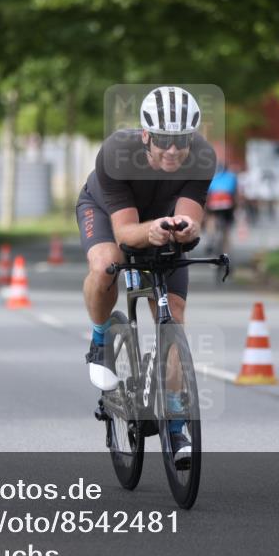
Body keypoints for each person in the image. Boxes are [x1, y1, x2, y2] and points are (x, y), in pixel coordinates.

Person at [76, 86, 215, 464]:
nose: (173, 151)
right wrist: (151, 231)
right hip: (108, 213)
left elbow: (192, 218)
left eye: (181, 141)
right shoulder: (117, 154)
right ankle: (101, 340)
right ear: (146, 136)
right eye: (164, 141)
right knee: (107, 263)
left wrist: (188, 230)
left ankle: (176, 426)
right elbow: (125, 234)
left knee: (175, 319)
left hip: (160, 221)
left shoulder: (202, 156)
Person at [204, 164, 238, 254]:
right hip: (228, 202)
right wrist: (236, 207)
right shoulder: (232, 176)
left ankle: (210, 238)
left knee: (211, 218)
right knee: (227, 229)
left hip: (214, 201)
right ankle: (226, 254)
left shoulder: (212, 176)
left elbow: (208, 193)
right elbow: (235, 193)